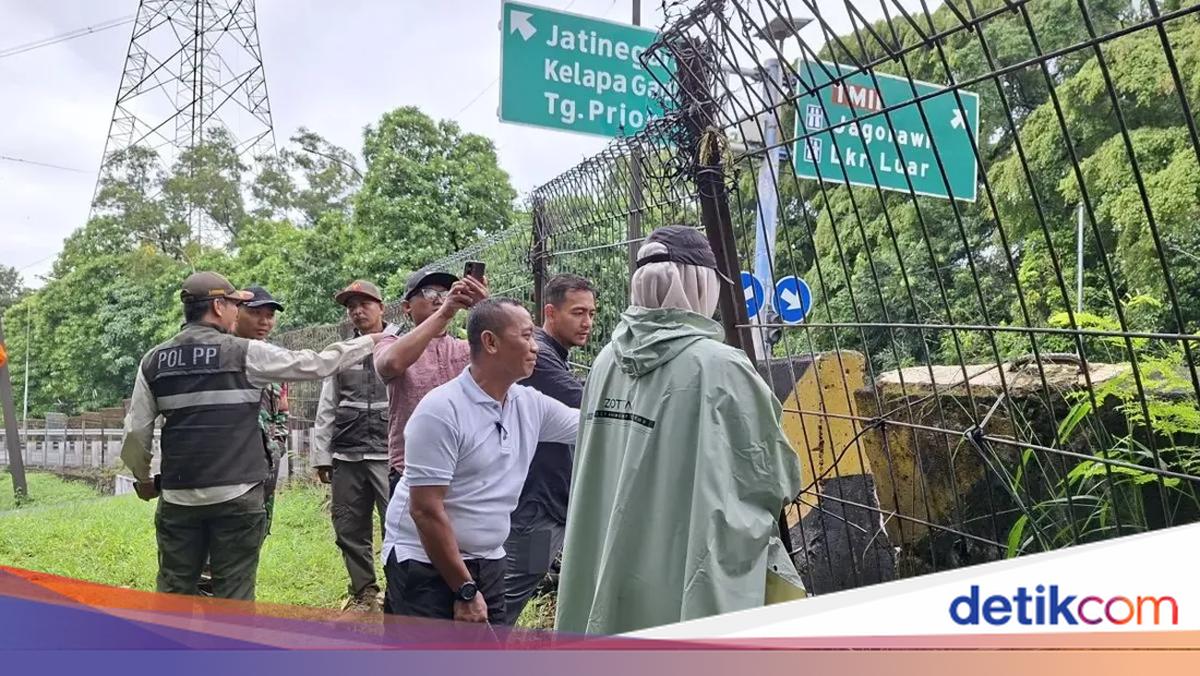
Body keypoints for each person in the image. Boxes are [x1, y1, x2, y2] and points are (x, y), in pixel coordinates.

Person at [554, 225, 806, 635]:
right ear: (700, 285)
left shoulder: (605, 361)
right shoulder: (721, 366)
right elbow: (775, 478)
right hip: (680, 564)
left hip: (607, 554)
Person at [120, 271, 389, 602]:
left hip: (178, 499)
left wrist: (143, 477)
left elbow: (136, 431)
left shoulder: (153, 360)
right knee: (234, 594)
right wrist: (369, 341)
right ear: (218, 307)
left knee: (174, 591)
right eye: (235, 304)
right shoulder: (245, 352)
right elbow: (316, 364)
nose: (239, 312)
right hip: (238, 495)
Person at [381, 298, 580, 625]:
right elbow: (425, 510)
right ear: (490, 342)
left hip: (488, 558)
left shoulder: (528, 405)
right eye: (527, 336)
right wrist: (464, 591)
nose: (535, 348)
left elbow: (591, 425)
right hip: (423, 562)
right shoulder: (442, 411)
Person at [501, 274, 595, 624]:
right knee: (506, 597)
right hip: (535, 505)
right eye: (577, 312)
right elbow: (587, 407)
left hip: (546, 500)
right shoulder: (539, 356)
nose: (587, 322)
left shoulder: (555, 354)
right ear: (550, 313)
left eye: (591, 313)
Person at [197, 285, 289, 597]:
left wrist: (275, 447)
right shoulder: (220, 354)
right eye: (257, 313)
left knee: (251, 539)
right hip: (225, 468)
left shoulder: (273, 360)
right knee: (210, 548)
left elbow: (282, 412)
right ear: (236, 313)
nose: (265, 321)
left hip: (262, 468)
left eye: (270, 316)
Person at [311, 280, 396, 613]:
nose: (358, 311)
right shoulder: (341, 352)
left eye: (365, 304)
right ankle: (364, 592)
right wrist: (322, 455)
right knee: (348, 525)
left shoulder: (401, 345)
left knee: (398, 525)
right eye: (351, 307)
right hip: (347, 453)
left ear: (381, 307)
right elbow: (326, 405)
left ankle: (399, 591)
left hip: (390, 454)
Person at [373, 269, 482, 496]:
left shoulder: (464, 347)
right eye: (429, 292)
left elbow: (517, 356)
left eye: (446, 292)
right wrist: (445, 312)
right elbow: (392, 364)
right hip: (411, 471)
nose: (440, 299)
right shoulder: (389, 343)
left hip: (463, 469)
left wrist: (484, 307)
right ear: (406, 307)